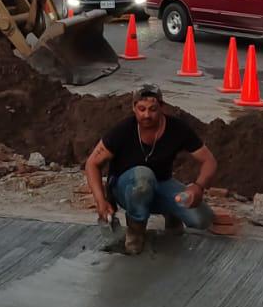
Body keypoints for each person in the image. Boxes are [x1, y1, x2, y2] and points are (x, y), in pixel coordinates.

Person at [83, 84, 218, 255]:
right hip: (126, 189)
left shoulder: (177, 129)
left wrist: (198, 187)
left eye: (153, 109)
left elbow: (209, 161)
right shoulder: (123, 130)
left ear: (162, 107)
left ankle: (171, 212)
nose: (146, 115)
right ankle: (136, 230)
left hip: (161, 184)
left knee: (201, 219)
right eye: (141, 109)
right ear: (134, 108)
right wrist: (100, 201)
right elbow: (92, 164)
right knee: (143, 177)